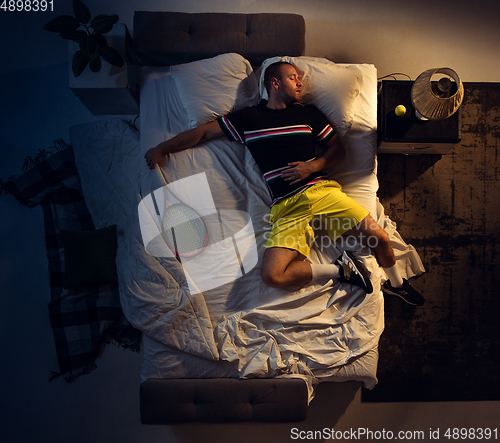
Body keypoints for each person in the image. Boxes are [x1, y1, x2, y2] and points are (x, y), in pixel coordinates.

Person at [145, 61, 424, 306]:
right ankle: (341, 270)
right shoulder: (248, 119)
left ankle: (396, 285)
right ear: (274, 83)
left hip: (320, 194)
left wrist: (312, 166)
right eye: (293, 77)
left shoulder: (309, 113)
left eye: (300, 78)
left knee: (380, 238)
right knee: (273, 276)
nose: (300, 82)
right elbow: (202, 133)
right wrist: (162, 148)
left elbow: (338, 150)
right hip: (287, 208)